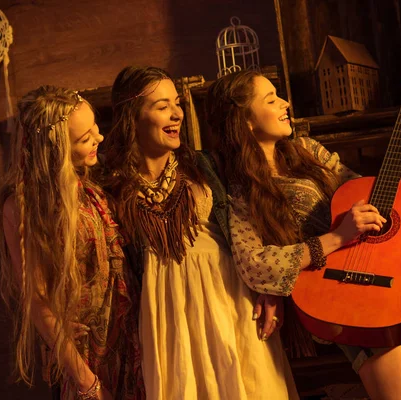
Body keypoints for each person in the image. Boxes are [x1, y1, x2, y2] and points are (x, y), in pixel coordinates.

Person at [205, 70, 401, 400]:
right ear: (244, 120)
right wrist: (338, 237)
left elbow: (379, 198)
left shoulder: (307, 150)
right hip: (344, 295)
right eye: (271, 99)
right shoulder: (240, 190)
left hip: (394, 284)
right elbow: (256, 264)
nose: (285, 103)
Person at [102, 65, 298, 400]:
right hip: (168, 320)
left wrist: (270, 289)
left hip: (230, 302)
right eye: (162, 106)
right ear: (132, 117)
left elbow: (254, 227)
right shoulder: (113, 189)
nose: (176, 113)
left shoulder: (207, 166)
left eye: (176, 103)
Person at [0, 86, 145, 399]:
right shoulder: (26, 205)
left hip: (129, 342)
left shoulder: (93, 186)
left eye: (96, 129)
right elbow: (37, 300)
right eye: (85, 138)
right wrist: (84, 378)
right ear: (57, 147)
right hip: (84, 357)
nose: (99, 139)